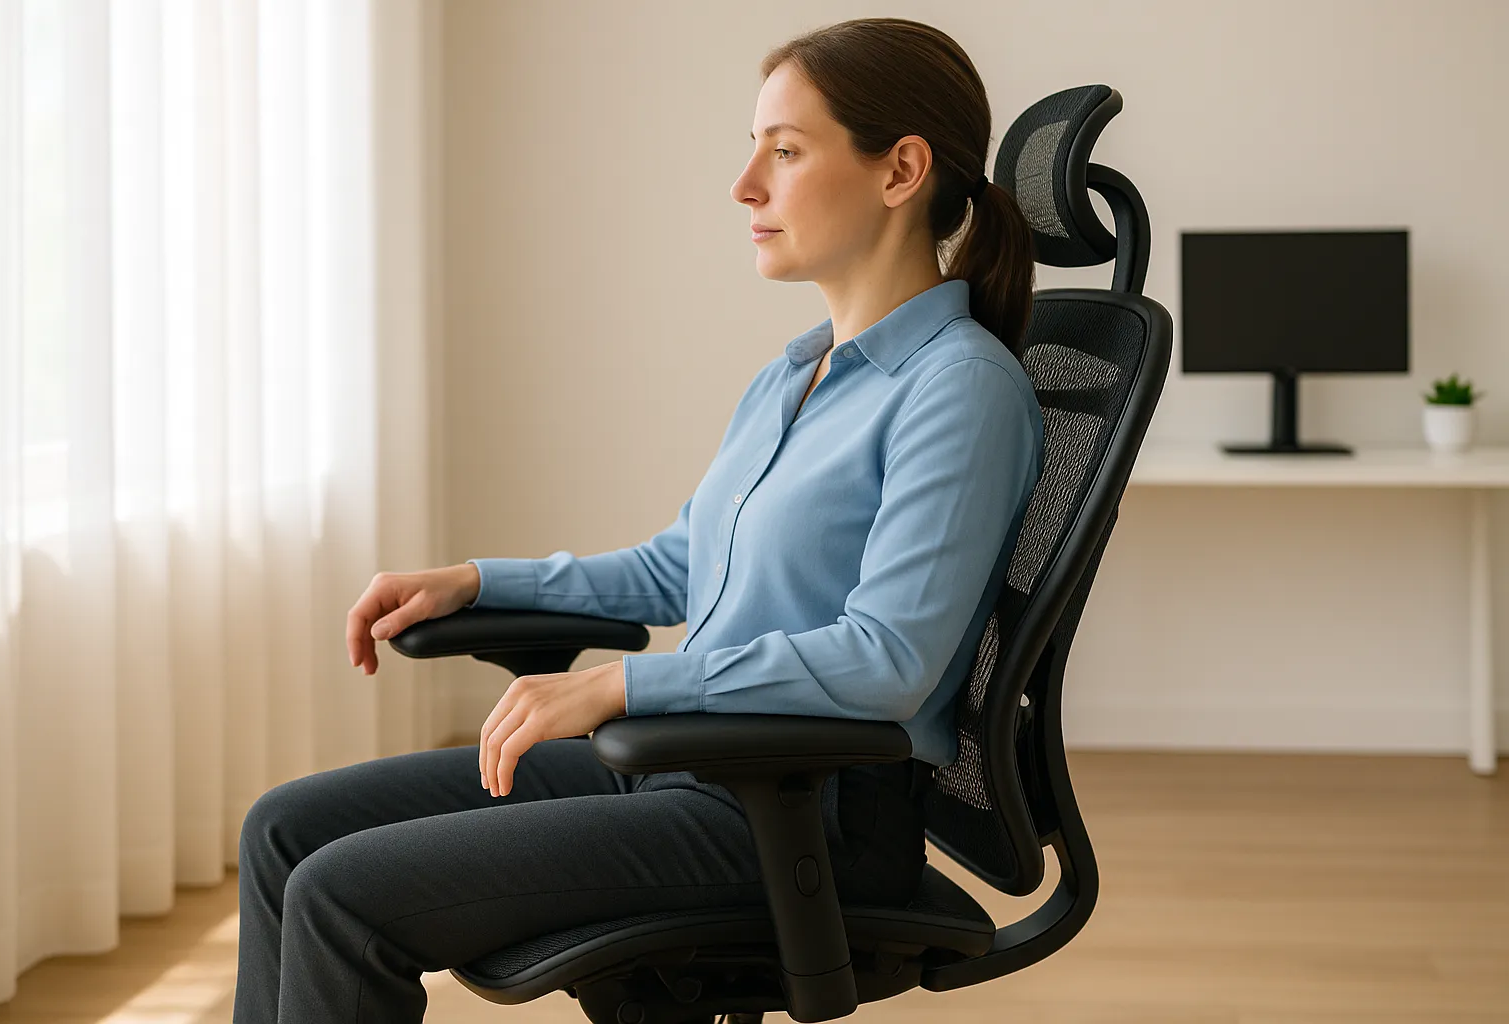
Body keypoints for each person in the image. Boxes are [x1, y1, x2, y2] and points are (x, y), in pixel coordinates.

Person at [233, 17, 1043, 1023]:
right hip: (687, 766)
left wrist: (620, 685)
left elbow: (888, 659)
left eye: (784, 151)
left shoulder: (960, 390)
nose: (745, 184)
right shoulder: (798, 373)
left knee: (342, 895)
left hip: (798, 814)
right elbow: (683, 564)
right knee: (282, 831)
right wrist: (480, 581)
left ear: (901, 170)